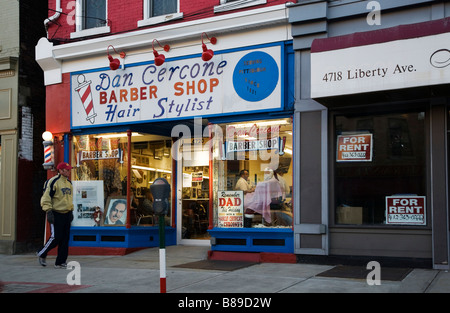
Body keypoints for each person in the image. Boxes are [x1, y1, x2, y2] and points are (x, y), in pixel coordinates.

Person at [37, 162, 74, 269]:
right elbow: (46, 198)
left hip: (66, 213)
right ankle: (41, 253)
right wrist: (48, 211)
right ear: (61, 171)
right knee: (56, 237)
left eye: (69, 169)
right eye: (67, 170)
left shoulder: (69, 183)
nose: (69, 171)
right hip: (56, 213)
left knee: (65, 239)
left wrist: (71, 210)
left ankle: (61, 261)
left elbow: (69, 199)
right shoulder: (53, 182)